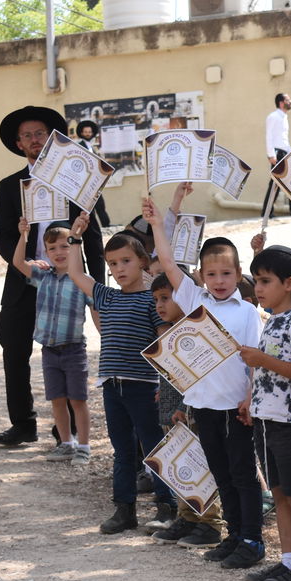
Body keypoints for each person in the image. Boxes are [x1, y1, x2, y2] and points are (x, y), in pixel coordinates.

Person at [146, 191, 265, 570]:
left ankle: (252, 539)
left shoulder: (247, 311)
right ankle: (233, 535)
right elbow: (166, 261)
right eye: (211, 274)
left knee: (243, 474)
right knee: (220, 474)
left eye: (226, 273)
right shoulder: (196, 302)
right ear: (200, 275)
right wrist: (154, 224)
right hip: (204, 407)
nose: (218, 281)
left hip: (235, 407)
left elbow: (256, 362)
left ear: (239, 272)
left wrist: (249, 397)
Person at [0, 106, 105, 447]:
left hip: (68, 283)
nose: (34, 140)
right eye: (27, 135)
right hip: (27, 280)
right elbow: (2, 235)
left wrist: (96, 286)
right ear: (18, 143)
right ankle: (23, 424)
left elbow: (94, 237)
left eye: (40, 133)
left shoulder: (75, 182)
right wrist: (26, 262)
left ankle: (65, 429)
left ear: (52, 138)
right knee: (13, 346)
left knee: (66, 352)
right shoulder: (9, 186)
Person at [64, 212, 177, 533]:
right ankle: (124, 510)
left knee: (155, 448)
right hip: (113, 387)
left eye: (125, 261)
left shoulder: (151, 301)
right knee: (123, 450)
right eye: (112, 264)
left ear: (143, 261)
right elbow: (74, 271)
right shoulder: (106, 295)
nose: (119, 269)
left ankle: (166, 507)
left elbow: (164, 345)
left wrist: (166, 386)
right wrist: (75, 238)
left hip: (145, 387)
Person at [237, 245, 291, 581]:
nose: (258, 288)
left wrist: (261, 360)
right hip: (266, 420)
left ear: (289, 283)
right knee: (282, 494)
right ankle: (288, 561)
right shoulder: (273, 320)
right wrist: (250, 401)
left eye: (265, 281)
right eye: (256, 280)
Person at [147, 271, 226, 548]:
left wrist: (183, 405)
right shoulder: (169, 331)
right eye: (156, 299)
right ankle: (187, 517)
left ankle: (210, 524)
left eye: (166, 298)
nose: (160, 305)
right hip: (170, 411)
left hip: (190, 412)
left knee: (200, 465)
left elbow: (198, 376)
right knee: (179, 465)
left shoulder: (194, 331)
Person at [8, 216, 96, 464]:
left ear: (73, 248)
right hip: (49, 351)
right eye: (52, 248)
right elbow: (17, 262)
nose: (58, 252)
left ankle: (84, 446)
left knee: (78, 400)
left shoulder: (82, 281)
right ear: (45, 252)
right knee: (57, 399)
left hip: (74, 349)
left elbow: (97, 310)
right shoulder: (42, 276)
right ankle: (66, 443)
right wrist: (23, 235)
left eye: (64, 246)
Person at [72, 120, 111, 227]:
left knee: (101, 206)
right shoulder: (79, 146)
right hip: (85, 184)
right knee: (89, 210)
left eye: (89, 132)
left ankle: (106, 226)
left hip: (95, 183)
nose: (88, 134)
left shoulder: (92, 147)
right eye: (85, 132)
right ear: (81, 133)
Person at [264, 92, 291, 215]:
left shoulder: (284, 117)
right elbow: (269, 136)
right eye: (288, 100)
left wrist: (290, 152)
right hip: (277, 153)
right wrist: (271, 154)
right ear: (281, 103)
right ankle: (266, 211)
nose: (290, 101)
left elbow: (283, 138)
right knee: (275, 183)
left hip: (285, 152)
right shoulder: (273, 116)